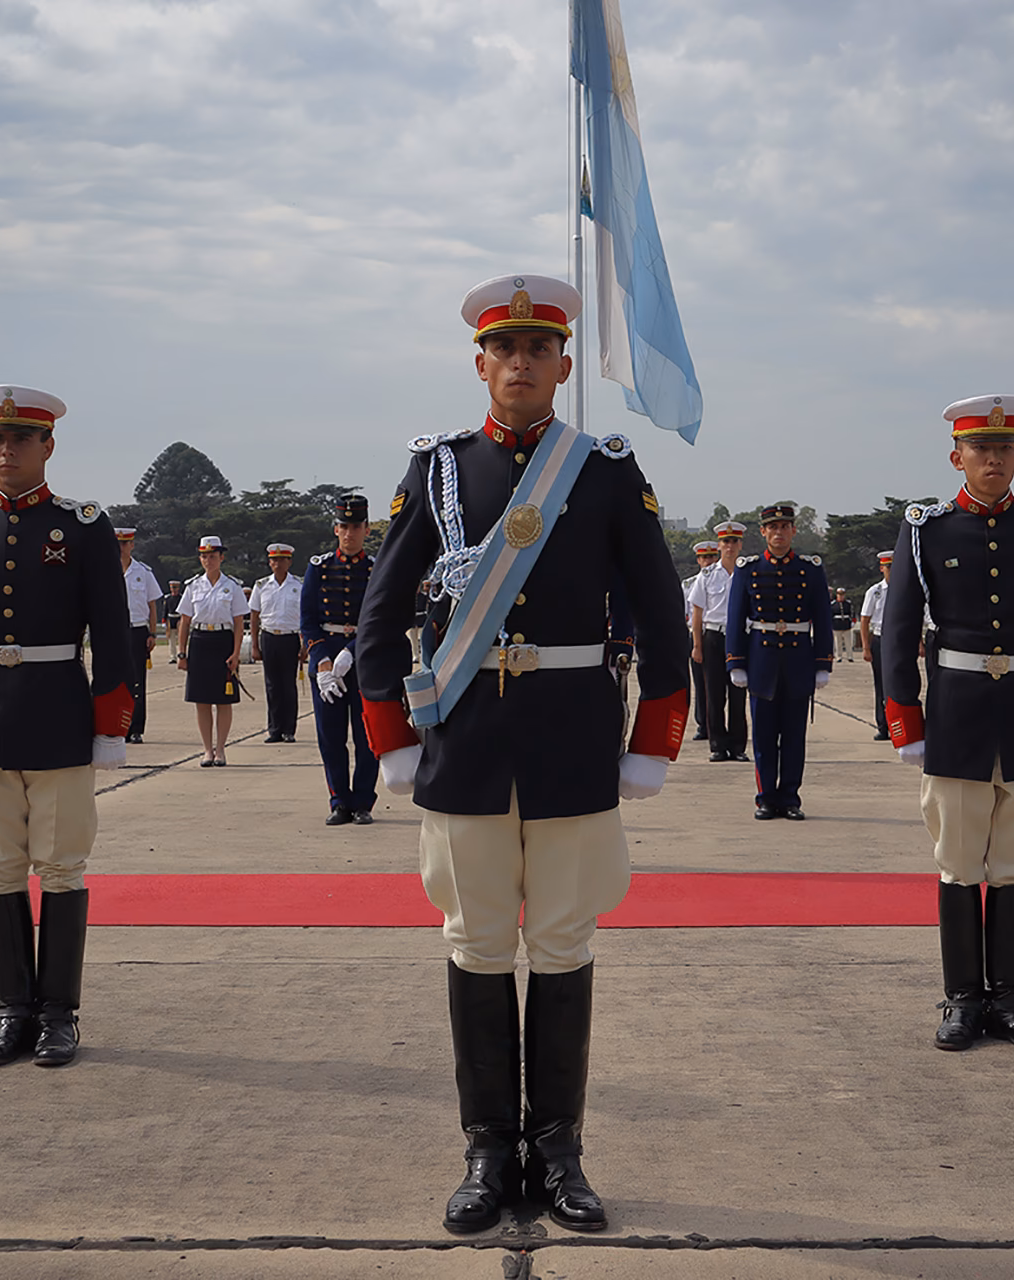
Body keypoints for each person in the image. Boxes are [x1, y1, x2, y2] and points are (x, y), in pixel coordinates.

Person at [354, 272, 688, 1235]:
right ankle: (487, 1148)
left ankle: (560, 1149)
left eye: (540, 350)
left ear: (563, 365)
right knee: (475, 943)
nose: (522, 363)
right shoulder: (439, 470)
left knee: (565, 944)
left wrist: (652, 741)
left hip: (575, 743)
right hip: (464, 745)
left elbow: (662, 614)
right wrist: (392, 740)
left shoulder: (606, 470)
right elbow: (382, 615)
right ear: (482, 363)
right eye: (506, 349)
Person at [0, 383, 134, 1069]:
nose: (5, 450)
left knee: (62, 866)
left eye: (19, 439)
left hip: (59, 712)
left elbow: (112, 633)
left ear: (48, 446)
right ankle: (13, 1011)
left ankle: (59, 1015)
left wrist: (111, 723)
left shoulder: (84, 526)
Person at [882, 393, 1014, 1054]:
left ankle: (1008, 1000)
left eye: (1005, 448)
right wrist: (904, 718)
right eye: (981, 448)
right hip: (958, 709)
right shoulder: (926, 528)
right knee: (958, 859)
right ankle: (962, 999)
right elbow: (898, 632)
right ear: (957, 457)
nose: (993, 458)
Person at [726, 504, 833, 819]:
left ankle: (790, 798)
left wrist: (822, 663)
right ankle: (765, 798)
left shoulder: (810, 569)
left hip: (798, 658)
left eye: (785, 527)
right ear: (763, 532)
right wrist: (736, 662)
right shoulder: (749, 569)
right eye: (773, 527)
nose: (779, 532)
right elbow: (735, 619)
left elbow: (823, 619)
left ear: (793, 531)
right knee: (762, 737)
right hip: (762, 659)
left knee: (794, 737)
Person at [303, 496, 379, 825]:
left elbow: (382, 618)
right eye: (344, 527)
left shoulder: (376, 570)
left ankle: (362, 801)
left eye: (356, 527)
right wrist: (321, 660)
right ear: (336, 529)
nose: (350, 534)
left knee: (366, 736)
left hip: (364, 658)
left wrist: (354, 647)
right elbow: (307, 620)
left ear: (366, 529)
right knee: (331, 736)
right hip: (326, 656)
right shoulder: (318, 568)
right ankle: (338, 801)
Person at [177, 536, 247, 766]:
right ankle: (207, 750)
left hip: (223, 641)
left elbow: (238, 623)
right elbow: (184, 622)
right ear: (200, 558)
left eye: (213, 556)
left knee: (223, 700)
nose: (209, 560)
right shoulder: (193, 586)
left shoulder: (232, 586)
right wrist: (181, 653)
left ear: (221, 558)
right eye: (204, 556)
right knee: (202, 700)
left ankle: (221, 750)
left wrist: (236, 653)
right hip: (199, 641)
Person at [688, 520, 749, 762]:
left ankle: (737, 747)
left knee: (738, 694)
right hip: (714, 636)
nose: (730, 546)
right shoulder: (707, 576)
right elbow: (697, 613)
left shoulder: (748, 573)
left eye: (734, 541)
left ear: (740, 545)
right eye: (725, 541)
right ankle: (717, 746)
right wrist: (697, 645)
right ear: (719, 545)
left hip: (740, 637)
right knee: (714, 694)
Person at [248, 543, 304, 743]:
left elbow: (305, 617)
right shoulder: (262, 585)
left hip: (290, 637)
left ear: (289, 562)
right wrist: (254, 646)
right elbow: (254, 616)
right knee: (272, 686)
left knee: (288, 685)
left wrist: (304, 645)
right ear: (269, 563)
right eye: (274, 560)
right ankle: (274, 729)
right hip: (269, 636)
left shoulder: (299, 585)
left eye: (281, 560)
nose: (277, 564)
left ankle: (289, 729)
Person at [115, 528, 164, 744]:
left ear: (132, 545)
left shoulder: (143, 572)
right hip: (114, 631)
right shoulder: (106, 570)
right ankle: (116, 727)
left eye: (125, 544)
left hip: (137, 631)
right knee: (115, 681)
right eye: (117, 544)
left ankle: (135, 728)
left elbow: (152, 605)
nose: (121, 548)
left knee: (137, 682)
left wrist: (152, 632)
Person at [681, 541, 717, 739]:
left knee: (719, 684)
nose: (708, 562)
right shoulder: (689, 584)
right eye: (704, 558)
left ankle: (718, 724)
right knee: (700, 683)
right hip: (696, 635)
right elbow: (684, 614)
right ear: (698, 560)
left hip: (716, 633)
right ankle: (703, 724)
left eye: (711, 557)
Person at [859, 549, 894, 740]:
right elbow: (865, 620)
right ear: (882, 569)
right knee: (881, 684)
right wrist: (866, 647)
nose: (892, 571)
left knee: (899, 684)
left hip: (897, 641)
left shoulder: (904, 589)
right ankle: (883, 725)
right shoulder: (875, 592)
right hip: (880, 640)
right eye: (888, 567)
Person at [831, 587, 855, 661]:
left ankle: (850, 656)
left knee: (848, 642)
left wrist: (853, 622)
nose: (841, 596)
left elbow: (852, 613)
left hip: (846, 624)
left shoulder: (848, 604)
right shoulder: (833, 604)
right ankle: (839, 656)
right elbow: (830, 615)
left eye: (842, 595)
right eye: (839, 594)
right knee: (838, 642)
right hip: (837, 624)